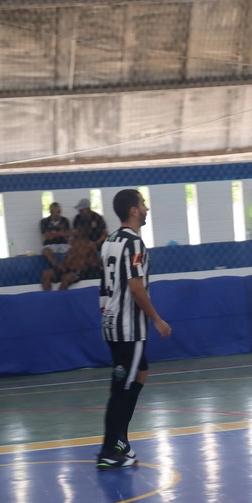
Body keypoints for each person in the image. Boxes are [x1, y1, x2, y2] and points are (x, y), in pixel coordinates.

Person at [97, 189, 171, 470]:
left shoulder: (109, 241)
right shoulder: (134, 243)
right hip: (129, 326)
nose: (146, 208)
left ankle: (120, 440)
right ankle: (108, 449)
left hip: (112, 322)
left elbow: (106, 286)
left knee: (140, 373)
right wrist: (156, 319)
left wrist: (107, 316)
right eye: (143, 204)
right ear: (133, 210)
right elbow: (135, 287)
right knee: (121, 387)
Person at [40, 202, 73, 291]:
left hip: (63, 244)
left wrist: (54, 233)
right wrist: (60, 233)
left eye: (59, 212)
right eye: (56, 212)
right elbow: (47, 236)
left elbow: (68, 234)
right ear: (51, 212)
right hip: (50, 245)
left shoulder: (65, 220)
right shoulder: (44, 222)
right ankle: (57, 266)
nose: (58, 214)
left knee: (72, 251)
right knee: (46, 251)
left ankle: (64, 267)